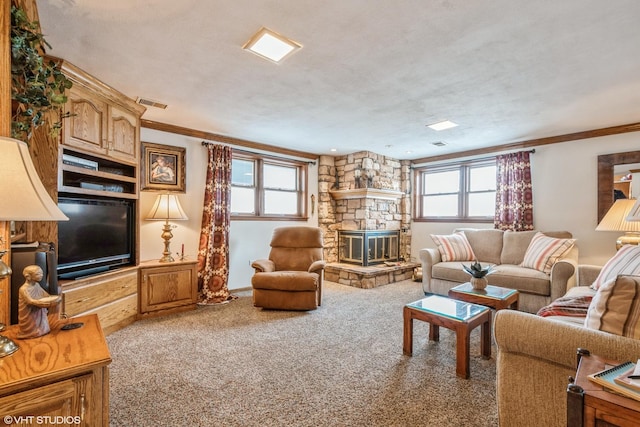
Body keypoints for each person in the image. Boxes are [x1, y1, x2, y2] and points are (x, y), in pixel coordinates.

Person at [17, 265, 63, 339]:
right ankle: (30, 333)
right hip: (29, 313)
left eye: (42, 273)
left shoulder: (37, 285)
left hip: (39, 311)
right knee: (31, 324)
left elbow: (45, 295)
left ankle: (42, 329)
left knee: (41, 322)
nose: (41, 275)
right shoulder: (23, 289)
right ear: (28, 276)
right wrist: (41, 303)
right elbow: (30, 301)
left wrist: (54, 298)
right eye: (38, 274)